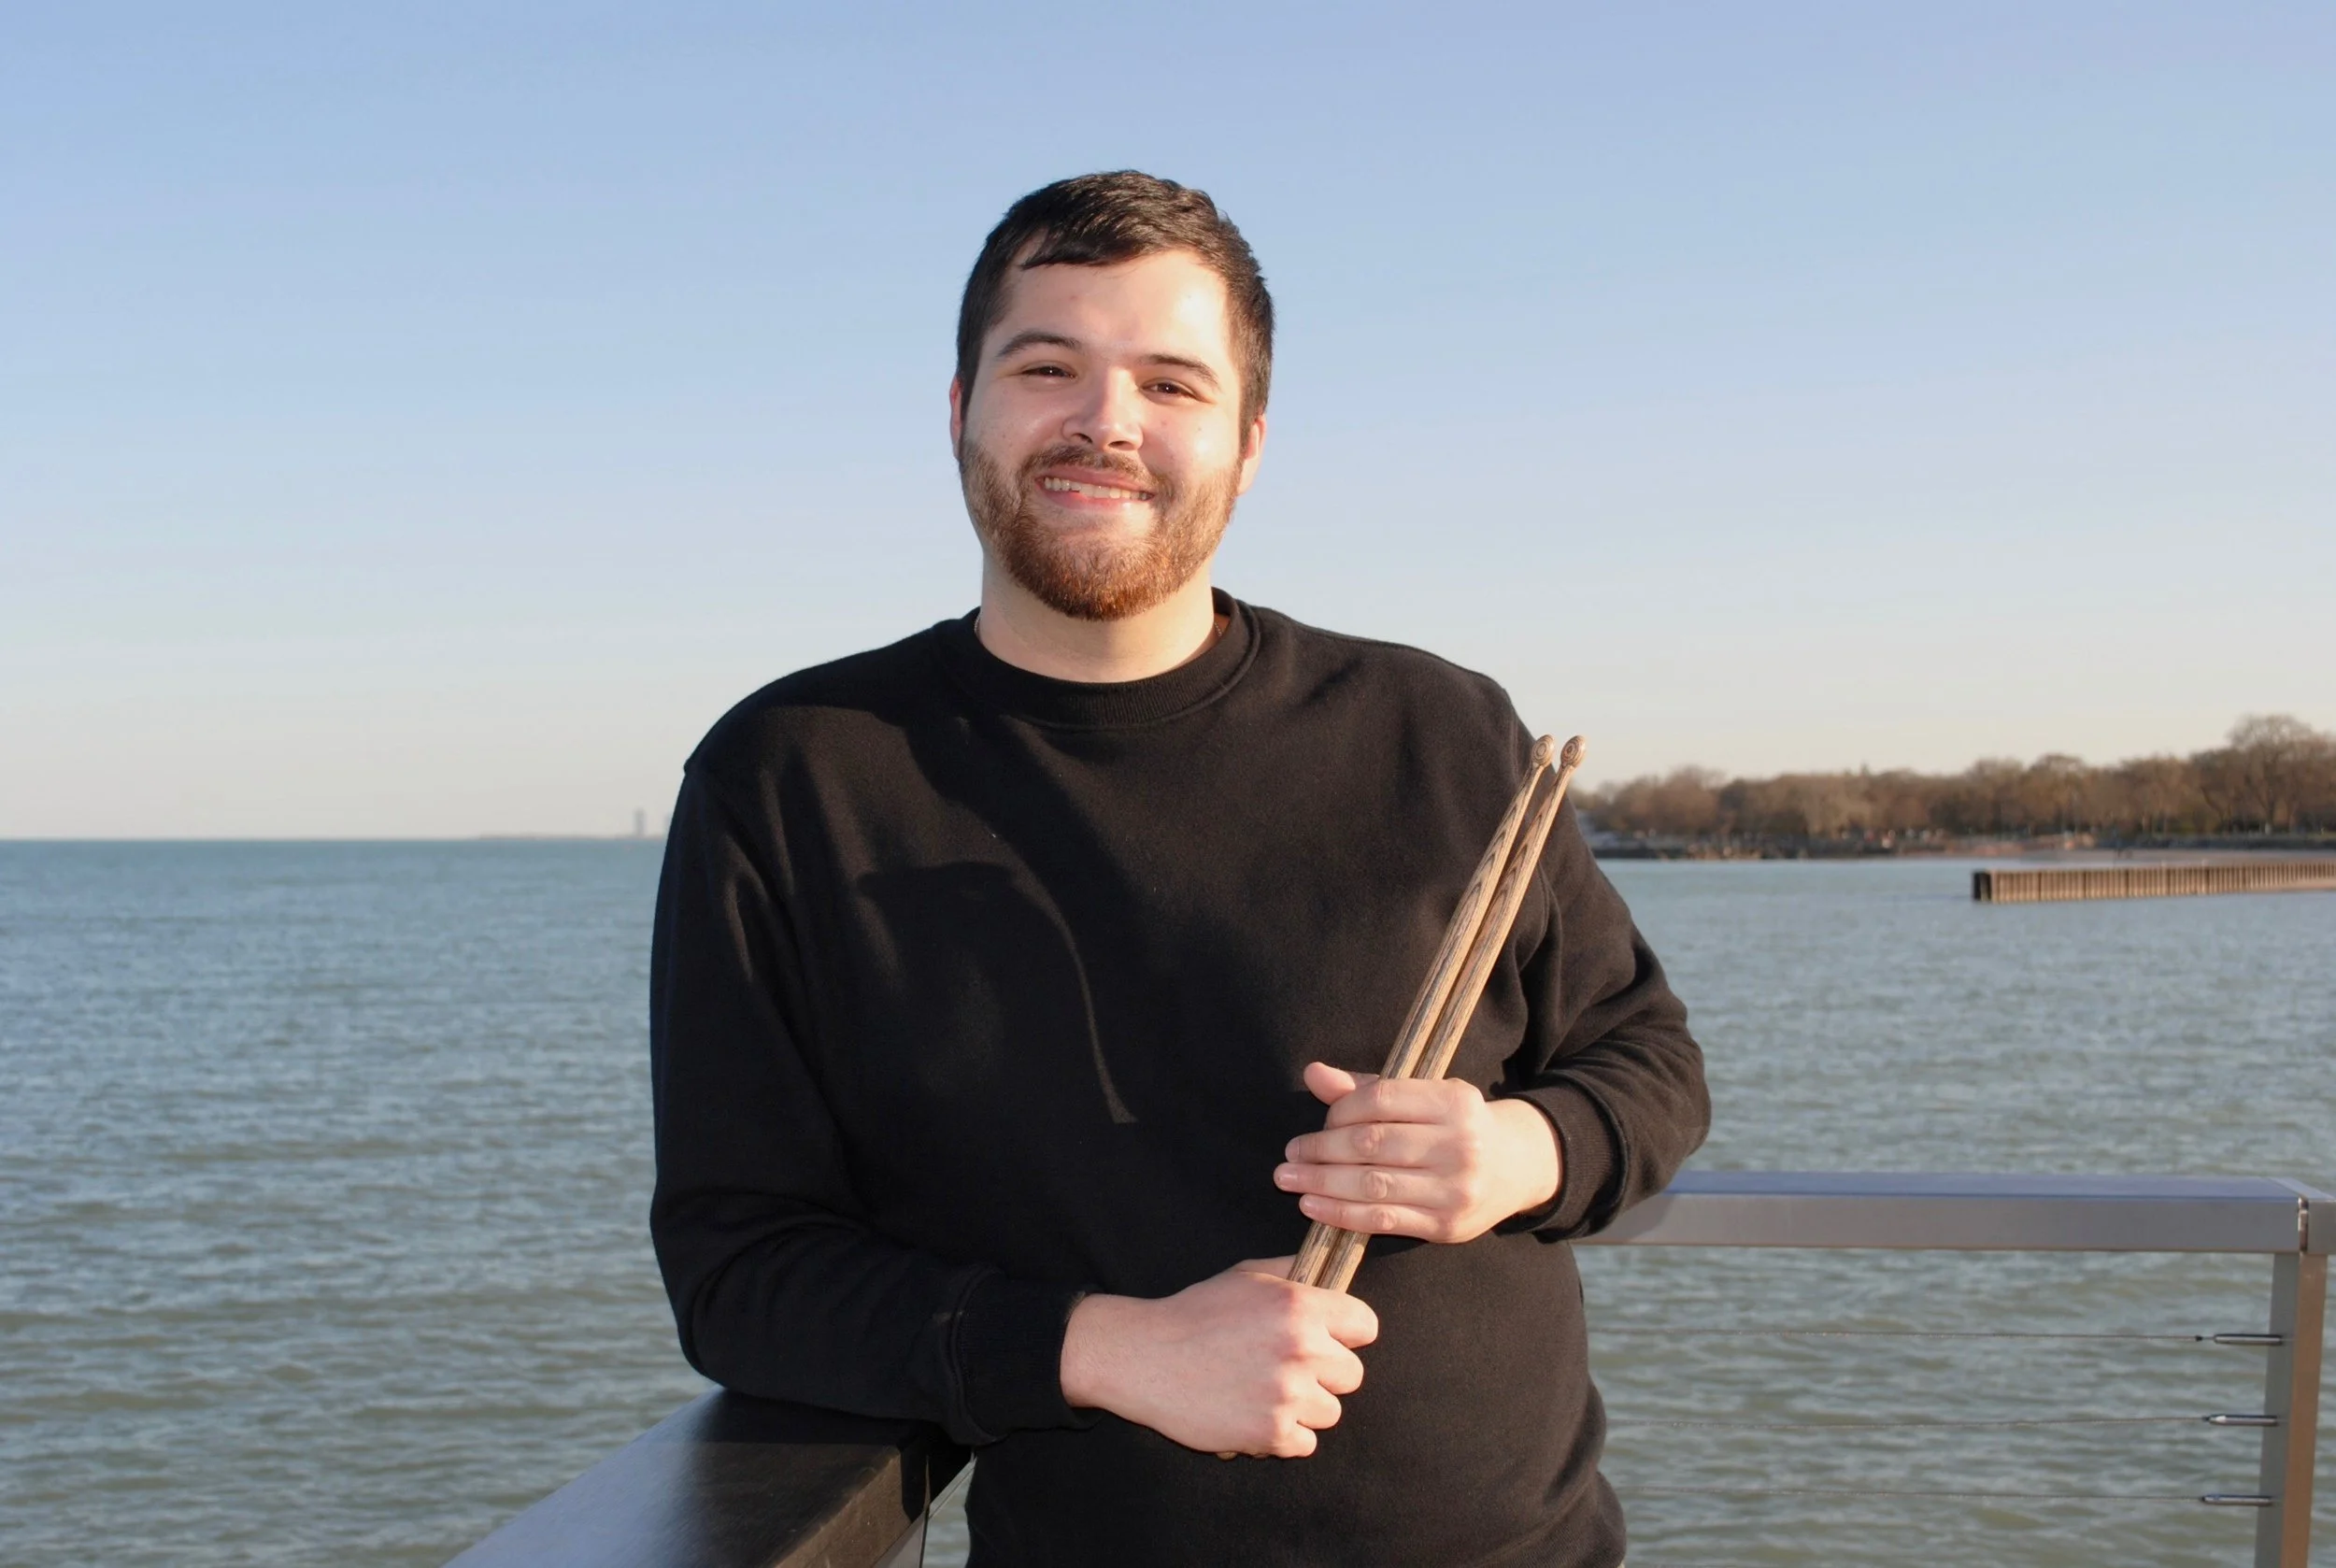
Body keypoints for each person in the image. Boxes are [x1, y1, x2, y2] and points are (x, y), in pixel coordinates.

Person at [649, 170, 1707, 1568]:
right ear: (957, 406)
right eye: (1049, 367)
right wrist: (1107, 1348)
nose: (1107, 422)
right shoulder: (794, 776)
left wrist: (1520, 1149)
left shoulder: (1441, 729)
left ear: (1250, 442)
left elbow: (1648, 1057)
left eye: (1171, 382)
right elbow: (741, 1273)